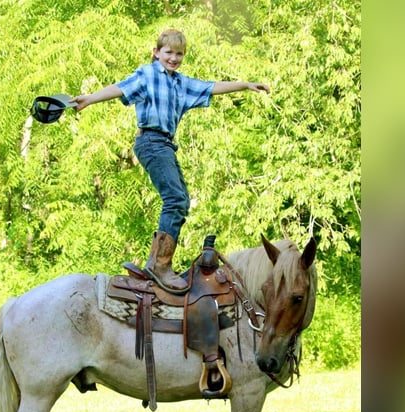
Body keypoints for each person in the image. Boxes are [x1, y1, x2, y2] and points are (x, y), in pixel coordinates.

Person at [70, 29, 270, 292]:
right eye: (168, 53)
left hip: (165, 144)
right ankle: (160, 265)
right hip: (150, 141)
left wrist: (245, 85)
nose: (173, 58)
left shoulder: (181, 83)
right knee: (175, 199)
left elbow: (211, 87)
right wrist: (90, 99)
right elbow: (120, 88)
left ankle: (159, 261)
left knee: (182, 200)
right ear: (156, 53)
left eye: (179, 54)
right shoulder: (148, 74)